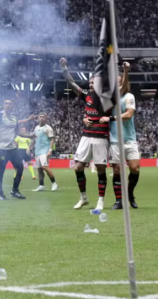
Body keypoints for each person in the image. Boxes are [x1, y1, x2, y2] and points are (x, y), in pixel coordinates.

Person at [60, 57, 111, 212]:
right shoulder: (86, 96)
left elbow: (110, 117)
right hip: (86, 136)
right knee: (78, 167)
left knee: (101, 169)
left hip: (101, 138)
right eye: (89, 83)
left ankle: (101, 201)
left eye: (93, 83)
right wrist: (64, 69)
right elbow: (72, 83)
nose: (90, 85)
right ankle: (83, 198)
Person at [106, 63, 140, 210]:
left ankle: (130, 194)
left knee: (135, 169)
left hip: (130, 139)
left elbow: (129, 114)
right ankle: (119, 200)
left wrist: (126, 71)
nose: (119, 83)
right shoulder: (111, 97)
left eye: (120, 81)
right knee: (117, 170)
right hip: (115, 139)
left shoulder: (129, 96)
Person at [0, 99, 36, 201]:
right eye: (6, 104)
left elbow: (18, 132)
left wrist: (30, 135)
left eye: (10, 104)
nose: (8, 105)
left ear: (12, 106)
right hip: (1, 148)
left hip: (12, 148)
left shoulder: (14, 118)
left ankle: (15, 191)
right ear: (3, 105)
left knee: (20, 168)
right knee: (0, 171)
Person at [29, 113, 57, 192]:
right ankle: (41, 185)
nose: (42, 118)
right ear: (38, 118)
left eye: (43, 117)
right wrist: (29, 147)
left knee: (45, 167)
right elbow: (33, 139)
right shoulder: (36, 127)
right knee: (39, 169)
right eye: (40, 117)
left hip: (45, 151)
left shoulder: (48, 128)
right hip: (37, 151)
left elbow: (52, 139)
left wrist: (50, 150)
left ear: (46, 118)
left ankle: (54, 183)